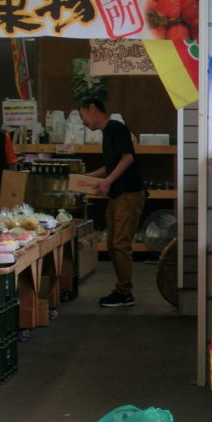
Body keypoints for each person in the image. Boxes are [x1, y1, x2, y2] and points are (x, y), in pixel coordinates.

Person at [78, 97, 145, 308]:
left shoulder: (116, 128)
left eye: (82, 116)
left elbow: (128, 158)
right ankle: (121, 290)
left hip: (129, 194)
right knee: (112, 244)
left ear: (92, 109)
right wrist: (90, 177)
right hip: (118, 195)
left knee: (120, 244)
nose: (82, 122)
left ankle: (125, 293)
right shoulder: (107, 133)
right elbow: (111, 165)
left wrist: (107, 181)